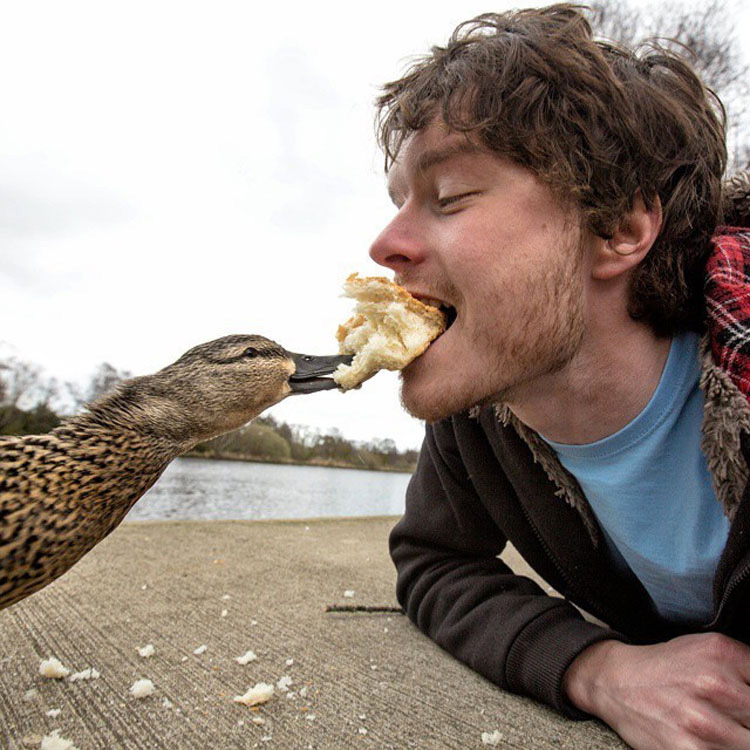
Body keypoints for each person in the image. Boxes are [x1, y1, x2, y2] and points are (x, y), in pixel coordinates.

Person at [367, 4, 750, 748]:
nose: (384, 245)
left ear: (618, 231)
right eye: (396, 205)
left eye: (447, 198)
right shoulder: (482, 408)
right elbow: (432, 562)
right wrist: (597, 668)